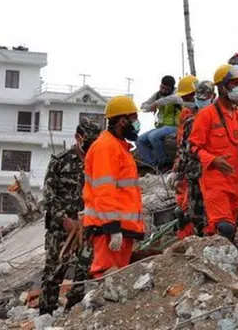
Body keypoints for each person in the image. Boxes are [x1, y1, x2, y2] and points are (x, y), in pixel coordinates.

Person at [39, 119, 101, 315]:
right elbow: (48, 195)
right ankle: (45, 314)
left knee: (85, 269)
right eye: (88, 140)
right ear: (78, 137)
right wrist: (63, 219)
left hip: (87, 225)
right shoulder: (60, 161)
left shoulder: (98, 162)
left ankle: (72, 311)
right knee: (54, 272)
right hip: (61, 227)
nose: (91, 145)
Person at [189, 65, 238, 241]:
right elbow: (193, 148)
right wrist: (213, 160)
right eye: (234, 84)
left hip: (237, 179)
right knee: (223, 226)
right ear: (222, 87)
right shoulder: (206, 115)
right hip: (215, 180)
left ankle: (219, 258)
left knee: (229, 227)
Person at [83, 95, 144, 278]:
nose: (136, 123)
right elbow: (105, 191)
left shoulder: (118, 147)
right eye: (133, 118)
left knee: (116, 280)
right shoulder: (106, 147)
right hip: (108, 228)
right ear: (122, 120)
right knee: (105, 277)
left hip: (121, 228)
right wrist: (113, 227)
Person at [173, 79, 214, 240]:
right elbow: (184, 148)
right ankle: (194, 238)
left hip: (212, 171)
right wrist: (179, 172)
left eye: (205, 97)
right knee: (192, 210)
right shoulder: (190, 120)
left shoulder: (220, 117)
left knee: (211, 210)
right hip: (195, 172)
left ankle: (207, 237)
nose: (201, 100)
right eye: (200, 96)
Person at [137, 75, 192, 169]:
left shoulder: (177, 94)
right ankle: (154, 165)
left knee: (153, 136)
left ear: (171, 88)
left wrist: (156, 103)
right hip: (161, 126)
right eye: (161, 87)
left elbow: (173, 99)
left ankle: (164, 163)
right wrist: (150, 107)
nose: (163, 90)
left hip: (175, 126)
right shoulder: (158, 94)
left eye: (166, 89)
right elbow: (143, 106)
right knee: (139, 140)